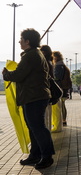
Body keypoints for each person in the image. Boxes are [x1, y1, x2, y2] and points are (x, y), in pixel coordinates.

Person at [2, 28, 55, 169]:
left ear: (28, 41)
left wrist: (6, 74)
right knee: (33, 128)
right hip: (33, 96)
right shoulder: (33, 54)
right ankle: (35, 155)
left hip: (34, 97)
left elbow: (19, 75)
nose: (19, 41)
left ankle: (47, 156)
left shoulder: (31, 56)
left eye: (21, 39)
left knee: (38, 127)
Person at [52, 51, 71, 126]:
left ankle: (63, 121)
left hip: (60, 88)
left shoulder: (59, 66)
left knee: (61, 104)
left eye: (53, 57)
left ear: (56, 57)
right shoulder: (62, 65)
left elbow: (57, 77)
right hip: (64, 88)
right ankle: (63, 120)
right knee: (62, 104)